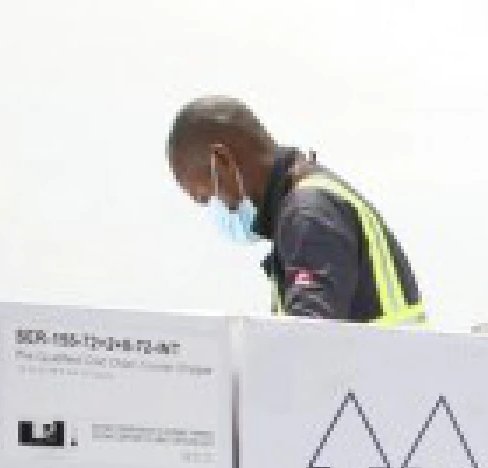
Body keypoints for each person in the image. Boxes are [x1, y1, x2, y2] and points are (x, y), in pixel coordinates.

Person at [166, 96, 426, 326]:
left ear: (222, 161)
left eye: (204, 196)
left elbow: (305, 340)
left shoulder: (309, 214)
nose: (213, 208)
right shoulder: (310, 200)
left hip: (374, 379)